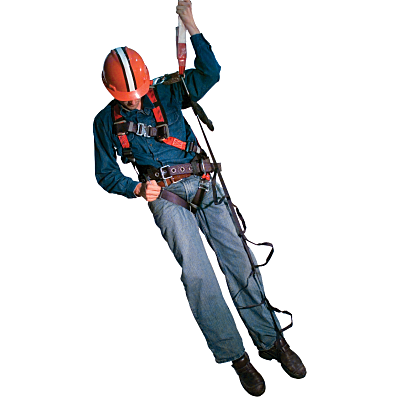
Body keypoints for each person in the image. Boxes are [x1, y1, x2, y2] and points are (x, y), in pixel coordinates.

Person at [93, 1, 306, 396]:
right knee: (198, 274)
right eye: (128, 97)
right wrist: (136, 188)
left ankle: (271, 340)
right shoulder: (106, 122)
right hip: (165, 196)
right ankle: (235, 356)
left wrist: (191, 26)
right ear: (111, 91)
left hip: (205, 181)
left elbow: (211, 72)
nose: (135, 101)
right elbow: (105, 174)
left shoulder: (168, 91)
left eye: (138, 93)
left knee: (239, 259)